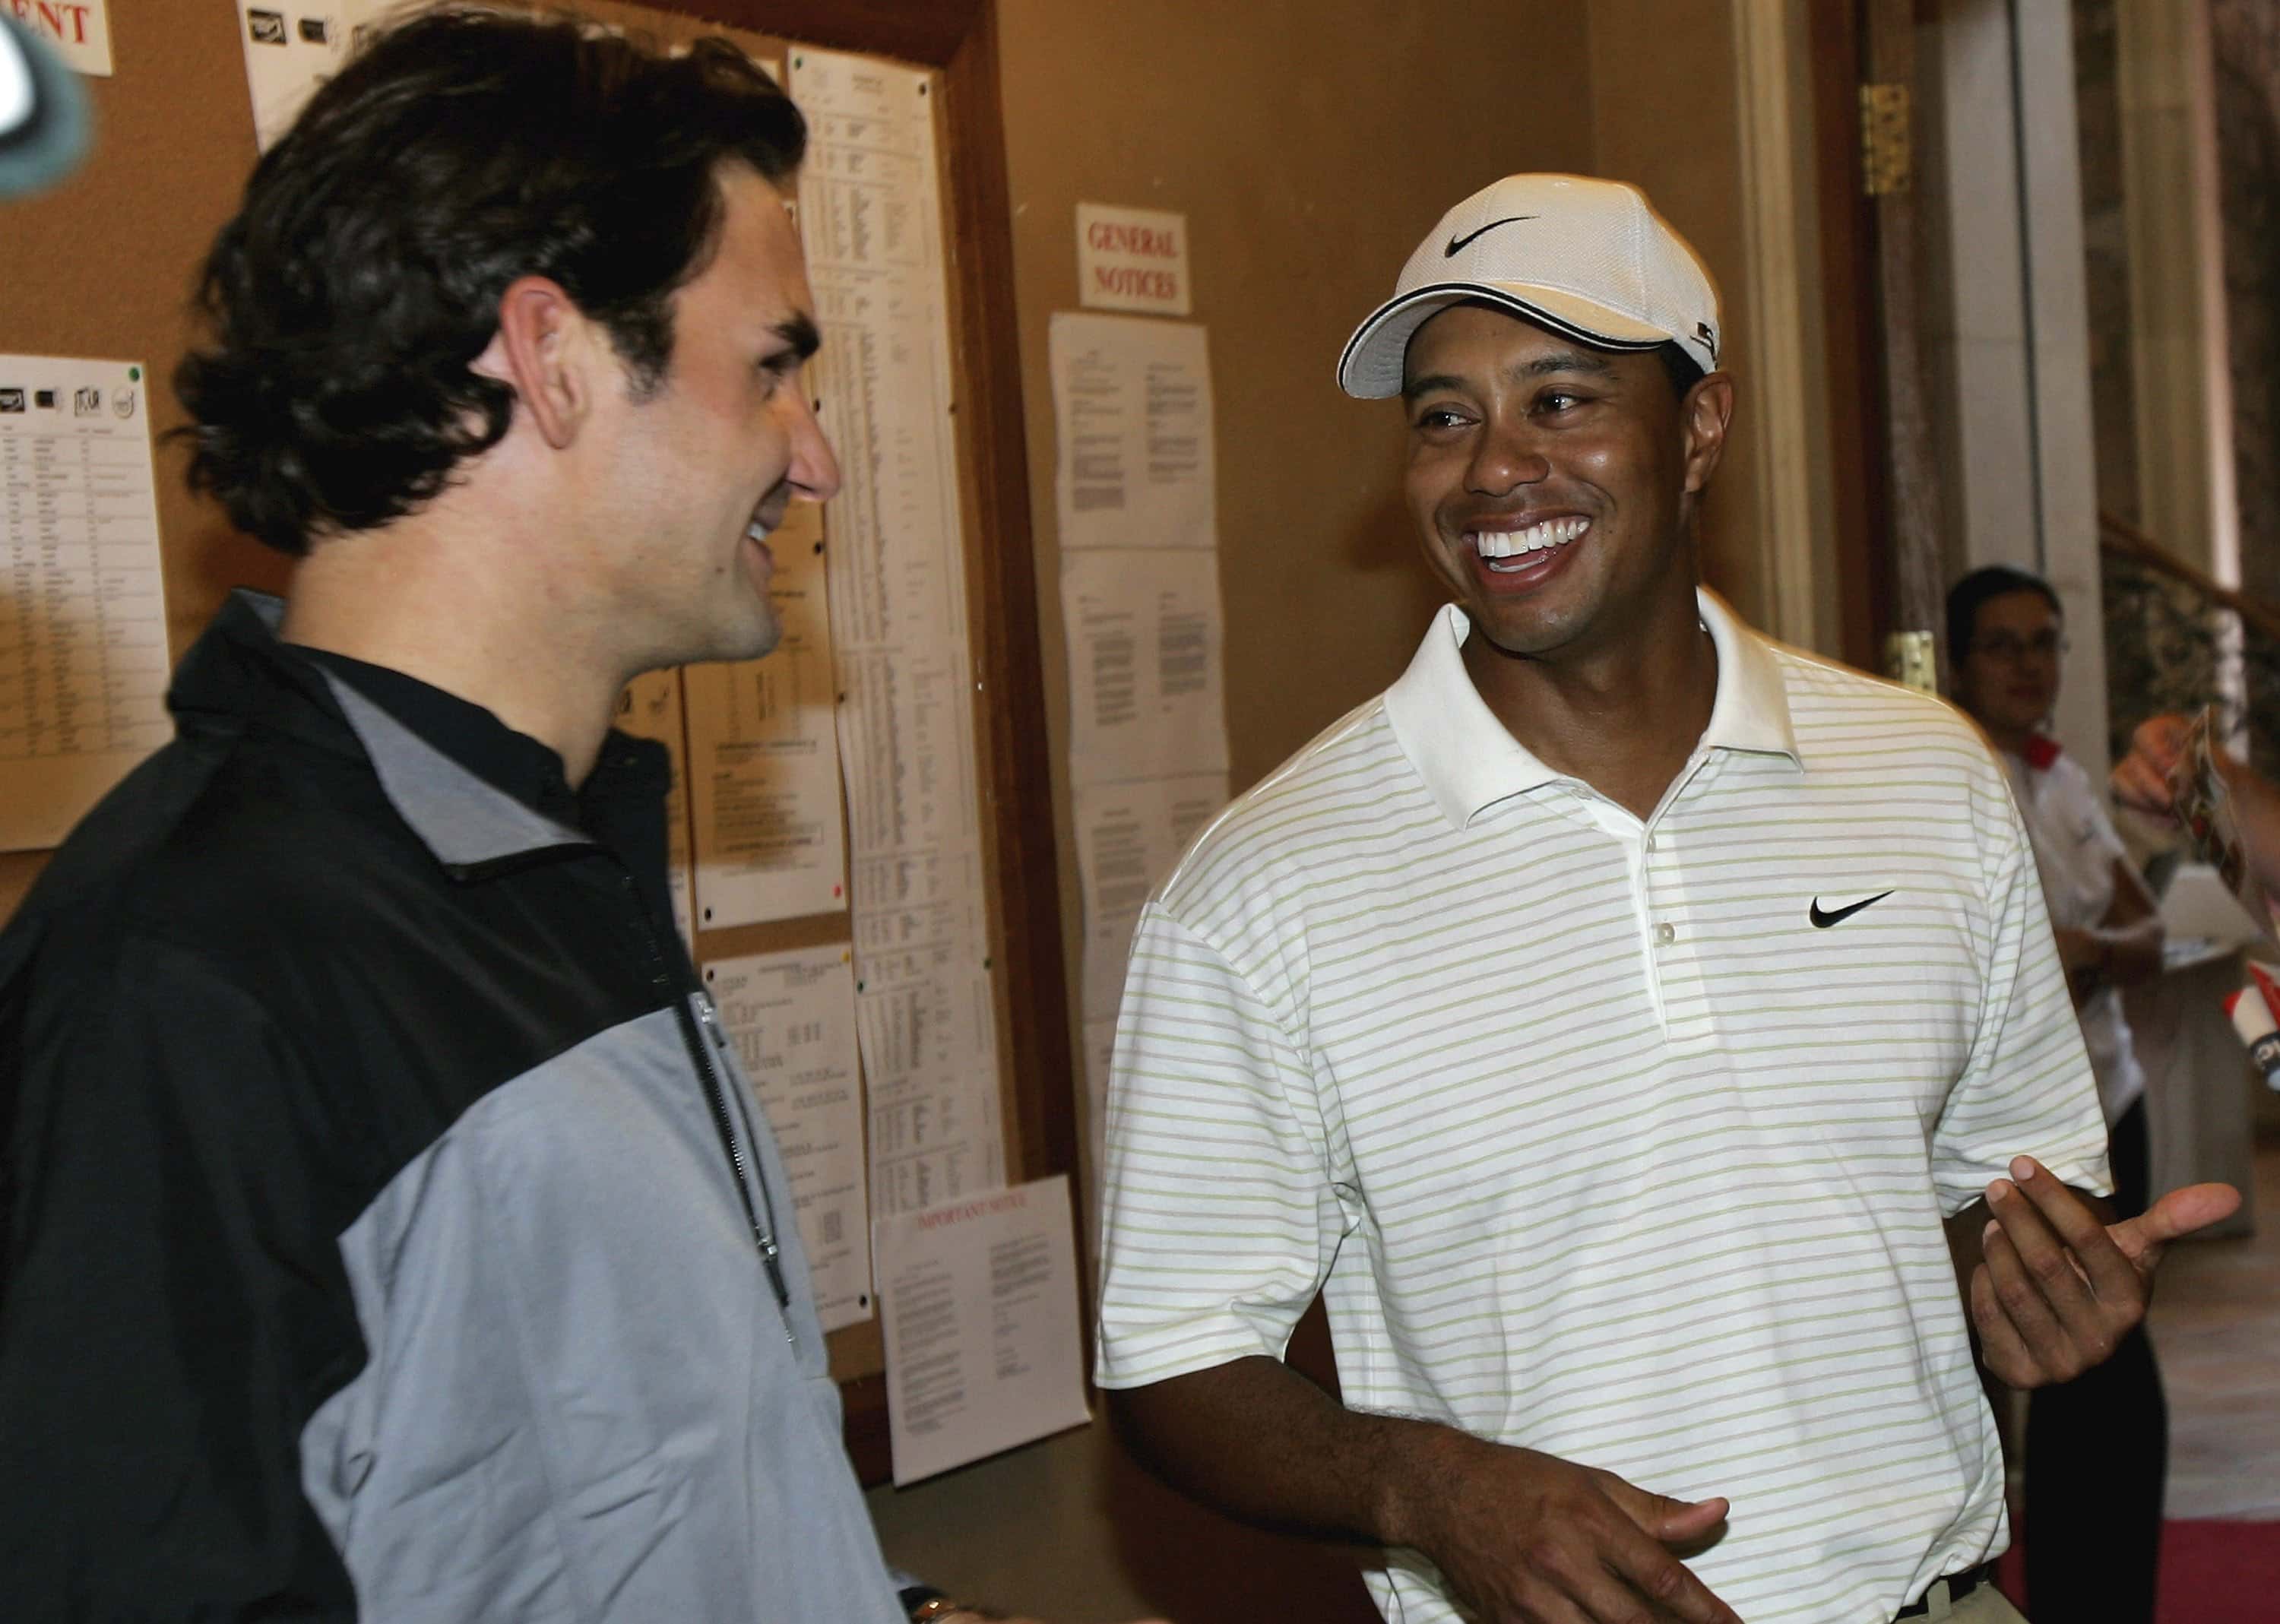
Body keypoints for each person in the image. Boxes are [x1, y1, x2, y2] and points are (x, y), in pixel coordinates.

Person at [0, 13, 1124, 1623]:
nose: (812, 461)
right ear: (554, 355)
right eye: (771, 368)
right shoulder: (186, 975)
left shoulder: (545, 871)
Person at [1093, 173, 2240, 1624]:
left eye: (1561, 398)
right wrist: (1428, 1488)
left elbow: (2002, 1180)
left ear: (1698, 430)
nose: (1497, 467)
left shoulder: (1925, 776)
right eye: (1445, 416)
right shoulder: (1266, 886)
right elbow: (1170, 1357)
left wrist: (2028, 1276)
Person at [1946, 565, 2170, 1620]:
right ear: (1957, 659)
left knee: (2115, 1383)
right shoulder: (1947, 783)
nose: (2030, 664)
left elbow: (2146, 937)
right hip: (2008, 1136)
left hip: (2108, 1095)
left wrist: (2089, 949)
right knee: (2038, 1374)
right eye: (2003, 644)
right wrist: (2081, 951)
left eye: (2045, 641)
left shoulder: (2065, 778)